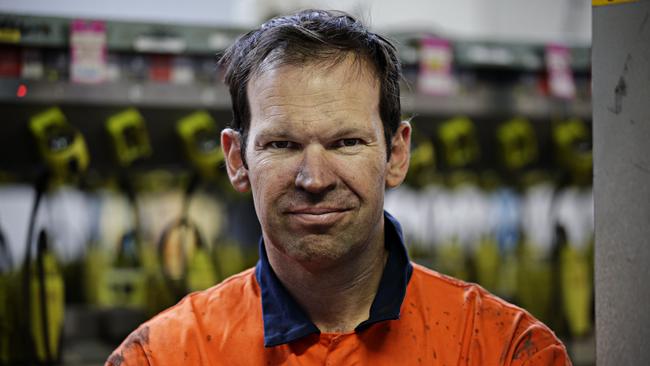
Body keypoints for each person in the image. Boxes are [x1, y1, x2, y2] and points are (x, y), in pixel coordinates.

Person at [106, 9, 571, 365]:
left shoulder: (502, 347)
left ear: (396, 154)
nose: (315, 179)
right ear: (237, 160)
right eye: (282, 144)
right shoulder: (167, 354)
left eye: (346, 142)